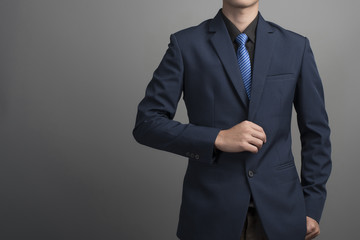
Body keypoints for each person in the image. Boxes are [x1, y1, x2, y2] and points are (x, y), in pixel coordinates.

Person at [132, 0, 332, 239]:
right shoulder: (185, 45)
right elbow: (147, 123)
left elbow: (316, 133)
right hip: (210, 214)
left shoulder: (295, 47)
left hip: (283, 214)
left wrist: (312, 206)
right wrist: (217, 138)